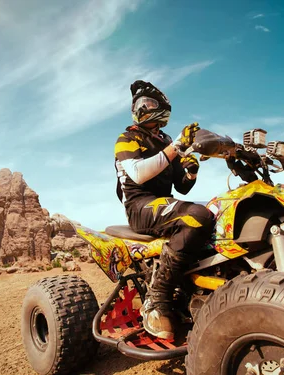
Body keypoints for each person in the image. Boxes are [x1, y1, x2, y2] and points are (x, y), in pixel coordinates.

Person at [114, 80, 215, 340]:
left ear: (163, 109)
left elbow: (182, 188)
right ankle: (156, 299)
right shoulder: (127, 138)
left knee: (216, 213)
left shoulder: (166, 141)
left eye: (148, 104)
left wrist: (192, 170)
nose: (142, 108)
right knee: (198, 216)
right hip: (139, 205)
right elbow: (137, 173)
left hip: (165, 202)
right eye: (139, 104)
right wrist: (178, 147)